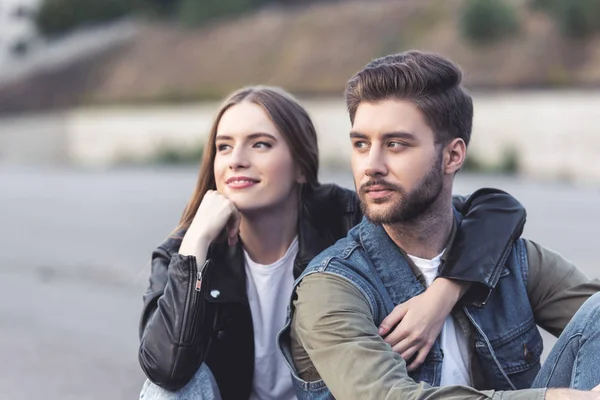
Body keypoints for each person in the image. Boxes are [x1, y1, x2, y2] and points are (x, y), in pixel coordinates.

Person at [137, 85, 528, 400]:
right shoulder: (183, 253)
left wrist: (443, 294)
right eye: (224, 146)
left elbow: (496, 209)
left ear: (302, 166)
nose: (236, 160)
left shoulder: (346, 216)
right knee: (163, 391)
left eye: (260, 144)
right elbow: (167, 370)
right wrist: (195, 246)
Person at [281, 51, 600, 400]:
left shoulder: (511, 260)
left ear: (452, 156)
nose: (371, 165)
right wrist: (562, 399)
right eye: (361, 144)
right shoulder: (331, 287)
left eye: (395, 144)